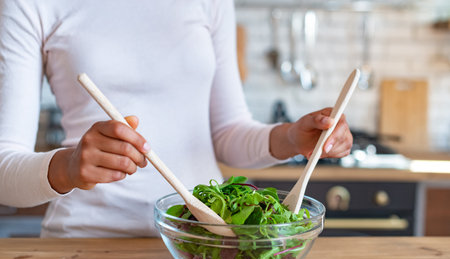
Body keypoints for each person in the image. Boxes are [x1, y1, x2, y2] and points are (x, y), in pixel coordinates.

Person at [0, 1, 352, 237]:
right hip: (89, 242)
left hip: (205, 241)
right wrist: (68, 166)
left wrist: (292, 138)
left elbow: (228, 132)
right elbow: (4, 168)